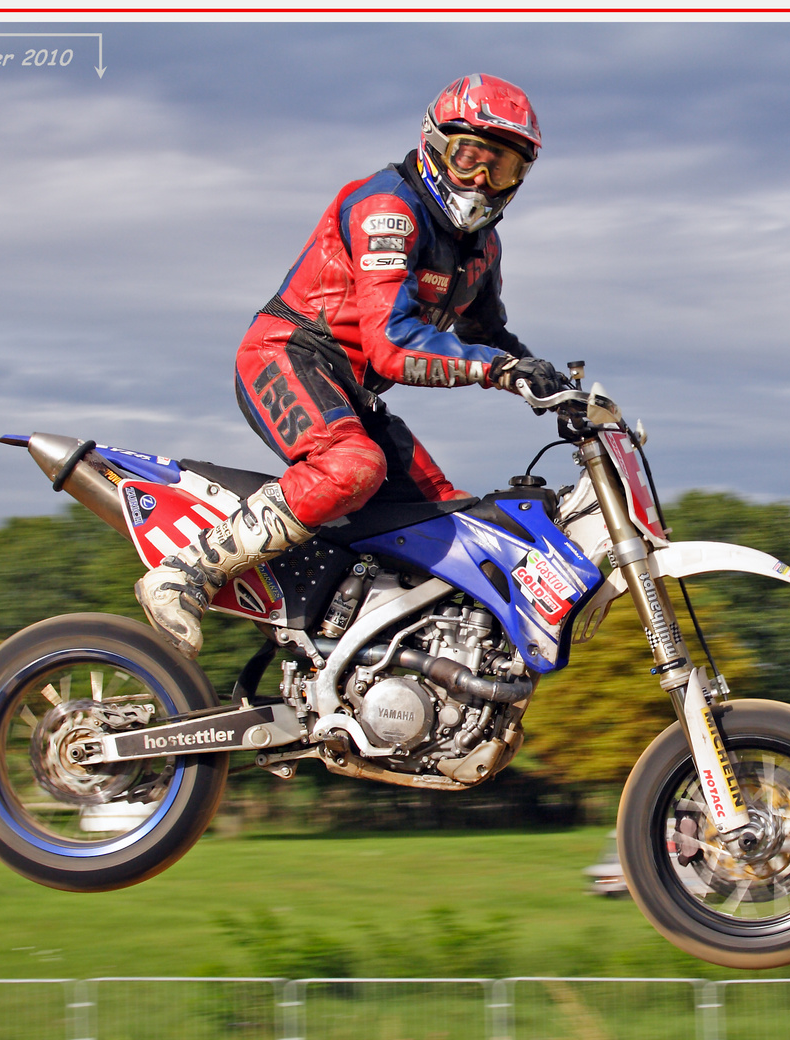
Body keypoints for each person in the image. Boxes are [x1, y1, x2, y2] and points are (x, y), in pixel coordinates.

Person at [136, 73, 574, 656]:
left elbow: (487, 332)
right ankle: (186, 572)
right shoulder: (387, 208)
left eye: (504, 168)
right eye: (471, 158)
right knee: (350, 466)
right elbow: (393, 345)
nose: (482, 181)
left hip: (355, 390)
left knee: (448, 516)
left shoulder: (482, 246)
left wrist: (554, 389)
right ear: (436, 145)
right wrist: (501, 372)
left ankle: (369, 652)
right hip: (289, 354)